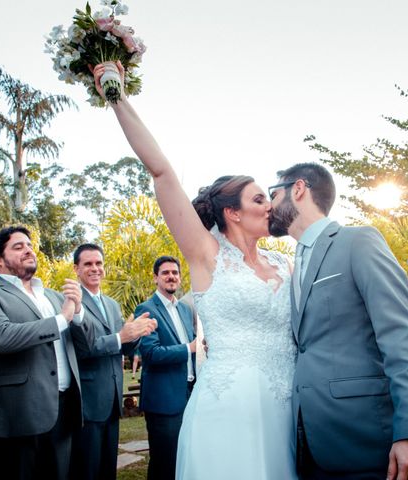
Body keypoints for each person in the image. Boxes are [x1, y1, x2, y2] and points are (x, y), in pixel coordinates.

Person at [93, 62, 297, 479]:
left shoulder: (284, 262)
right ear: (232, 213)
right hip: (230, 405)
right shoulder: (207, 254)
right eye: (259, 199)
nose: (269, 206)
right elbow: (162, 171)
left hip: (288, 401)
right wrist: (117, 97)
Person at [268, 163, 408, 479]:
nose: (268, 205)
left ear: (299, 189)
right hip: (307, 443)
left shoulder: (358, 242)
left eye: (273, 194)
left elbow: (401, 336)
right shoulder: (292, 266)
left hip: (364, 438)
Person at [0, 225, 95, 480]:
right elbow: (0, 337)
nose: (28, 250)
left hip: (62, 413)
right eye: (18, 246)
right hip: (14, 417)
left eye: (30, 245)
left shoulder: (56, 297)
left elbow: (86, 345)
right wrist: (63, 318)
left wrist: (77, 312)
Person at [69, 243, 157, 480]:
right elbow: (84, 348)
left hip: (112, 398)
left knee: (108, 468)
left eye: (99, 263)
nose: (95, 268)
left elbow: (122, 346)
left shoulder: (111, 304)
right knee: (87, 469)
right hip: (88, 400)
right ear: (76, 268)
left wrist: (137, 333)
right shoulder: (71, 303)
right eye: (88, 264)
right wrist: (122, 335)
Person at [134, 257, 196, 480]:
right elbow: (151, 353)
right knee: (164, 462)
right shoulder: (146, 309)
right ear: (155, 278)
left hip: (190, 395)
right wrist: (189, 348)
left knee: (184, 458)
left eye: (175, 273)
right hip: (164, 400)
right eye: (165, 273)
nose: (171, 277)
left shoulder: (185, 310)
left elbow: (196, 345)